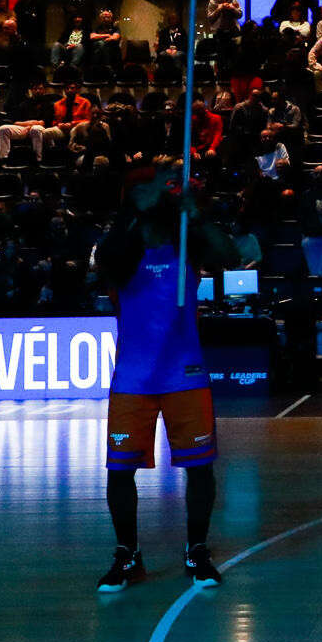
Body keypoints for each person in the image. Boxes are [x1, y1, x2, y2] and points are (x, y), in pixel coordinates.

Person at [92, 161, 234, 593]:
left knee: (200, 469)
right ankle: (127, 553)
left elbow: (228, 255)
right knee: (119, 472)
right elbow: (110, 266)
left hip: (185, 372)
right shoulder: (121, 243)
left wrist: (196, 213)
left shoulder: (186, 240)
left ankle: (197, 549)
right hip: (133, 376)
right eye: (143, 192)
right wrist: (136, 218)